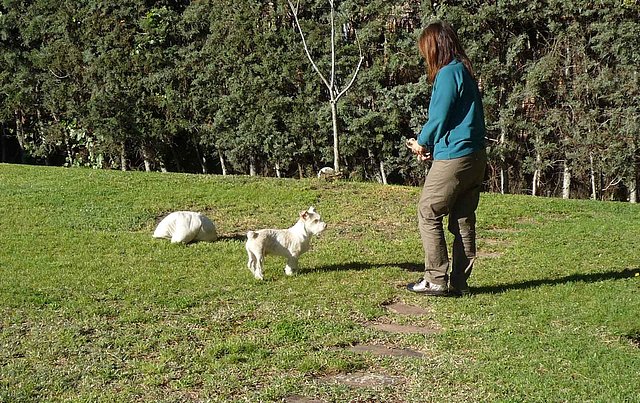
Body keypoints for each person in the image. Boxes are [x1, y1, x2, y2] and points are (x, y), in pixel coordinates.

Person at [405, 21, 487, 297]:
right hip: (474, 157)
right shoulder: (464, 70)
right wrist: (435, 145)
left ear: (435, 48)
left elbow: (438, 117)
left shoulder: (448, 73)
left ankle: (436, 279)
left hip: (456, 157)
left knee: (428, 211)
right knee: (463, 219)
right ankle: (460, 284)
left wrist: (422, 142)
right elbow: (457, 119)